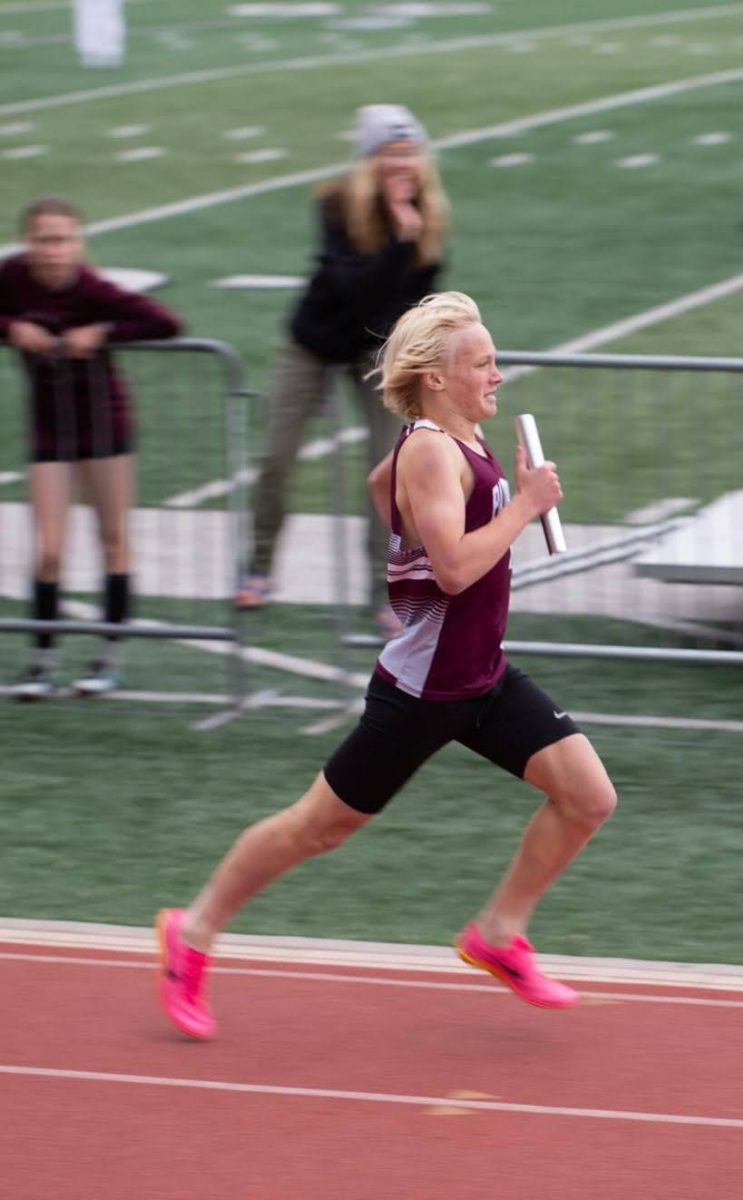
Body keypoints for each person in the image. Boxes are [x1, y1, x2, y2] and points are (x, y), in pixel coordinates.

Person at [156, 291, 617, 1040]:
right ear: (436, 377)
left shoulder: (452, 436)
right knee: (316, 829)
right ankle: (193, 930)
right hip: (422, 692)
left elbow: (382, 487)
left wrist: (407, 551)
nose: (498, 374)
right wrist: (523, 506)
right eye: (483, 363)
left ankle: (497, 935)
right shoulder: (433, 448)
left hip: (482, 676)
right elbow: (458, 570)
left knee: (588, 798)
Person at [235, 103, 449, 639]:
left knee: (390, 471)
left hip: (375, 350)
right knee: (276, 457)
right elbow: (353, 292)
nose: (402, 164)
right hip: (314, 341)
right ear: (367, 160)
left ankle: (387, 591)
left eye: (410, 153)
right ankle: (259, 563)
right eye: (389, 153)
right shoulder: (336, 205)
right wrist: (399, 238)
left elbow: (411, 305)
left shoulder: (429, 219)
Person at [0, 195, 184, 700]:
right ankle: (41, 660)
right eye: (42, 240)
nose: (51, 250)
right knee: (50, 548)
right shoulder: (12, 279)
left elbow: (165, 322)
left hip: (105, 427)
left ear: (77, 243)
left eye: (61, 240)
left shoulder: (94, 288)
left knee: (112, 539)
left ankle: (109, 654)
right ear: (27, 242)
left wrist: (99, 332)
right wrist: (12, 327)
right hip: (49, 429)